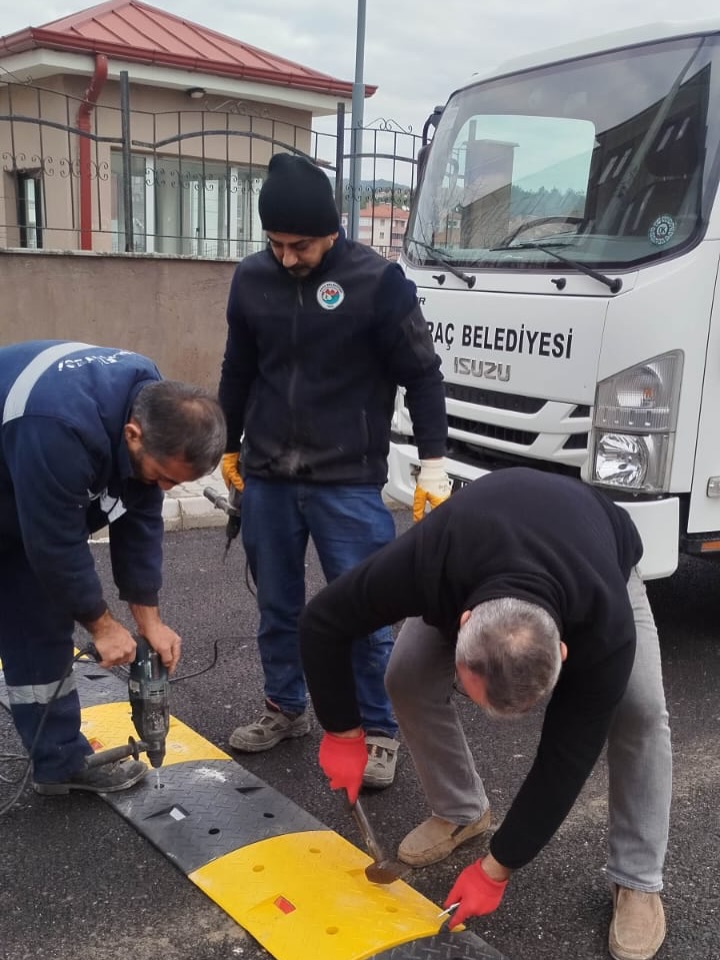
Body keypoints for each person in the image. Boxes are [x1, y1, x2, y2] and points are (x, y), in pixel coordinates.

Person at [299, 468, 671, 960]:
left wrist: (498, 868)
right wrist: (342, 731)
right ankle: (461, 811)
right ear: (463, 622)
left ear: (563, 652)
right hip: (478, 549)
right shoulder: (428, 561)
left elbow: (565, 760)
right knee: (406, 674)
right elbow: (322, 622)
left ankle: (639, 880)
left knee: (640, 712)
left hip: (600, 557)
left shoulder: (604, 626)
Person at [218, 151, 450, 788]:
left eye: (299, 245)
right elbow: (237, 369)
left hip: (347, 480)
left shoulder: (380, 282)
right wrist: (227, 442)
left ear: (331, 231)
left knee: (365, 613)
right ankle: (285, 708)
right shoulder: (252, 280)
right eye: (275, 244)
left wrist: (433, 462)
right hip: (267, 476)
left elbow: (422, 376)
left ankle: (378, 731)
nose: (286, 257)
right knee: (278, 608)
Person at [0, 340, 226, 796]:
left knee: (40, 618)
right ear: (132, 434)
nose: (164, 488)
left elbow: (137, 512)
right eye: (164, 476)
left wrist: (150, 622)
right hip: (25, 468)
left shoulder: (152, 399)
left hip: (25, 483)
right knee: (40, 593)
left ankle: (59, 762)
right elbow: (54, 542)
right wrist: (102, 626)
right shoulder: (59, 427)